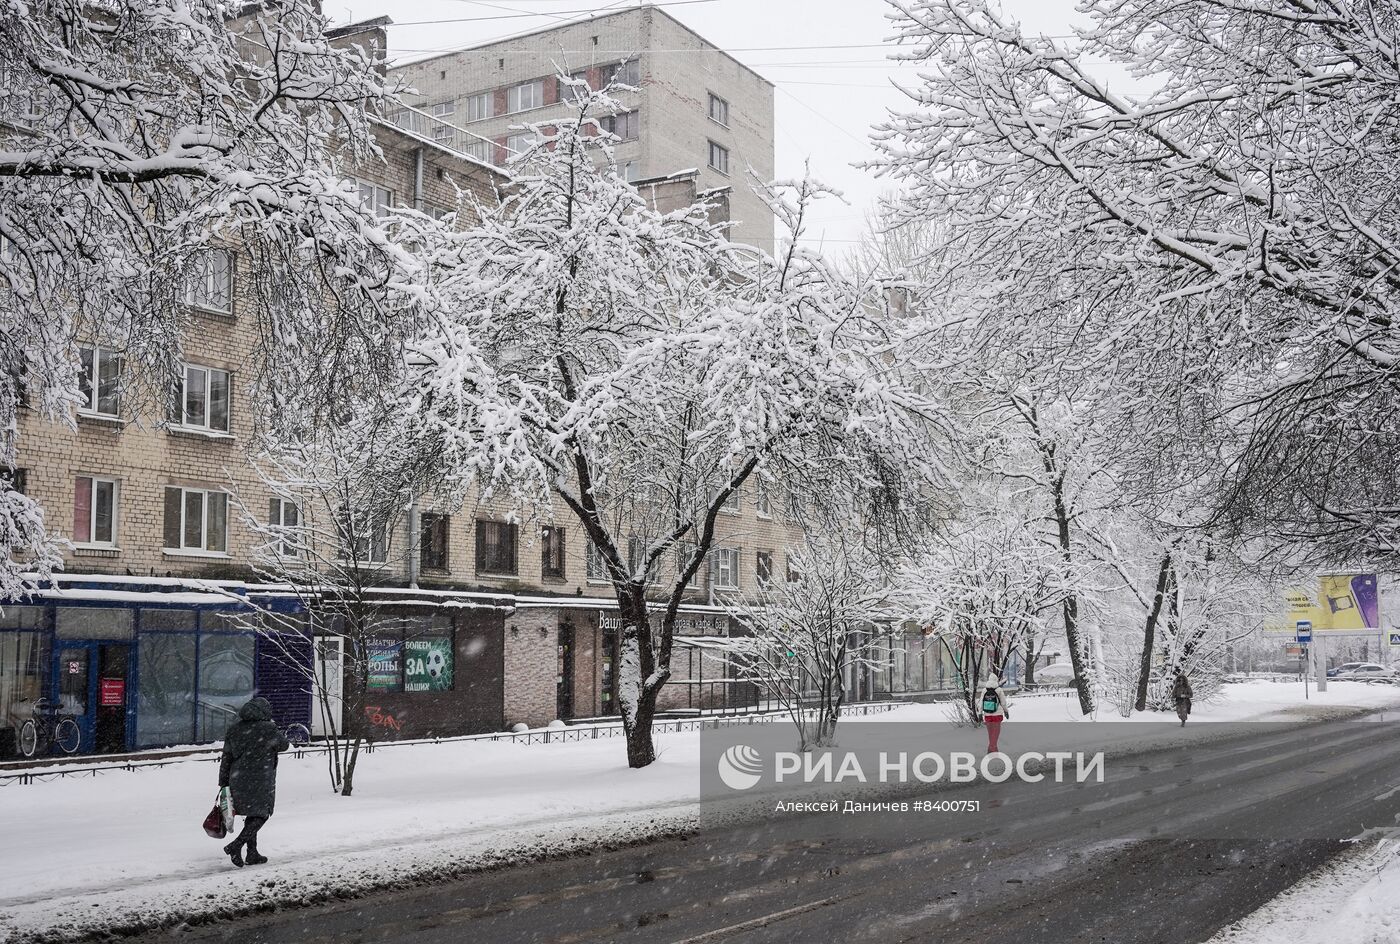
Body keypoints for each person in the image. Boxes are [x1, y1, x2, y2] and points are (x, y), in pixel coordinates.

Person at [218, 696, 289, 867]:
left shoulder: (234, 729)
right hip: (260, 778)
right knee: (262, 813)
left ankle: (252, 853)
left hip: (237, 778)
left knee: (252, 813)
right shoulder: (268, 728)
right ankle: (236, 845)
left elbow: (226, 757)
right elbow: (284, 745)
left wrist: (223, 782)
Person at [980, 672, 1010, 753]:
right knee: (995, 734)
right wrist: (1006, 711)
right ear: (996, 680)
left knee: (990, 734)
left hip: (987, 715)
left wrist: (980, 713)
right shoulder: (999, 690)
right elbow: (1003, 702)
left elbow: (981, 702)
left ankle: (993, 749)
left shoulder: (984, 690)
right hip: (997, 715)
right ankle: (992, 749)